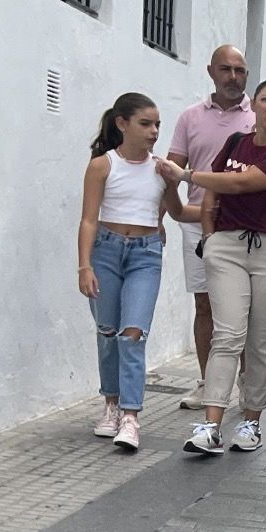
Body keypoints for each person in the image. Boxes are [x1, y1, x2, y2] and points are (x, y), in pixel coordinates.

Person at [158, 80, 266, 456]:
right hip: (227, 246)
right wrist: (210, 239)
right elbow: (215, 196)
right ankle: (210, 426)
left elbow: (240, 184)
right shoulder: (235, 143)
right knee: (228, 335)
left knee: (260, 340)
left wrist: (185, 175)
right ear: (253, 105)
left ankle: (251, 422)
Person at [77, 93, 188, 452]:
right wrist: (85, 265)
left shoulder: (161, 167)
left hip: (145, 254)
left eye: (157, 124)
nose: (154, 131)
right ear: (122, 124)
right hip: (106, 251)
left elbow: (177, 211)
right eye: (146, 123)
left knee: (133, 333)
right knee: (107, 331)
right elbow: (88, 219)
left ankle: (131, 416)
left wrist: (173, 182)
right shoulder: (102, 165)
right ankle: (110, 404)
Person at [166, 45, 255, 410]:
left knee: (246, 310)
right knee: (205, 306)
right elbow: (172, 169)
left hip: (244, 224)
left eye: (240, 70)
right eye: (226, 69)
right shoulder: (190, 117)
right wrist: (159, 217)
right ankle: (207, 383)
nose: (233, 77)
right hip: (196, 222)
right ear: (210, 72)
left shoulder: (258, 118)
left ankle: (248, 384)